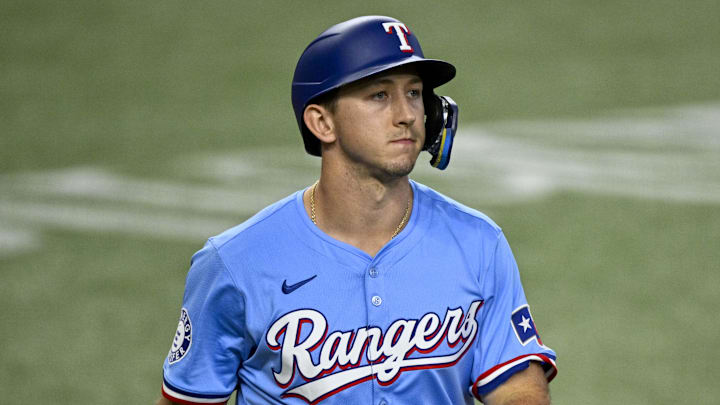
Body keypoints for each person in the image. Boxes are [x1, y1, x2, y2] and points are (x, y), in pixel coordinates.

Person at [157, 15, 557, 405]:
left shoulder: (478, 243)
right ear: (322, 123)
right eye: (379, 95)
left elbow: (518, 387)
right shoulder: (234, 263)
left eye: (414, 93)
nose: (406, 114)